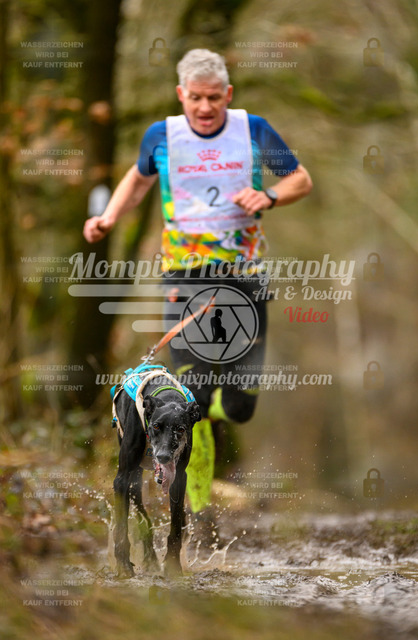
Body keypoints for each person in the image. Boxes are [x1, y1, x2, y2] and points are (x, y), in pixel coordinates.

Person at [84, 49, 312, 536]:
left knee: (241, 407)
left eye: (213, 97)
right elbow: (137, 180)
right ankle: (198, 510)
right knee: (192, 397)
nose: (205, 107)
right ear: (180, 95)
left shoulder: (253, 130)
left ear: (227, 95)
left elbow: (301, 180)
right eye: (195, 98)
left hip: (245, 277)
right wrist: (108, 218)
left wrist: (269, 195)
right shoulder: (161, 136)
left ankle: (206, 417)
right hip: (184, 278)